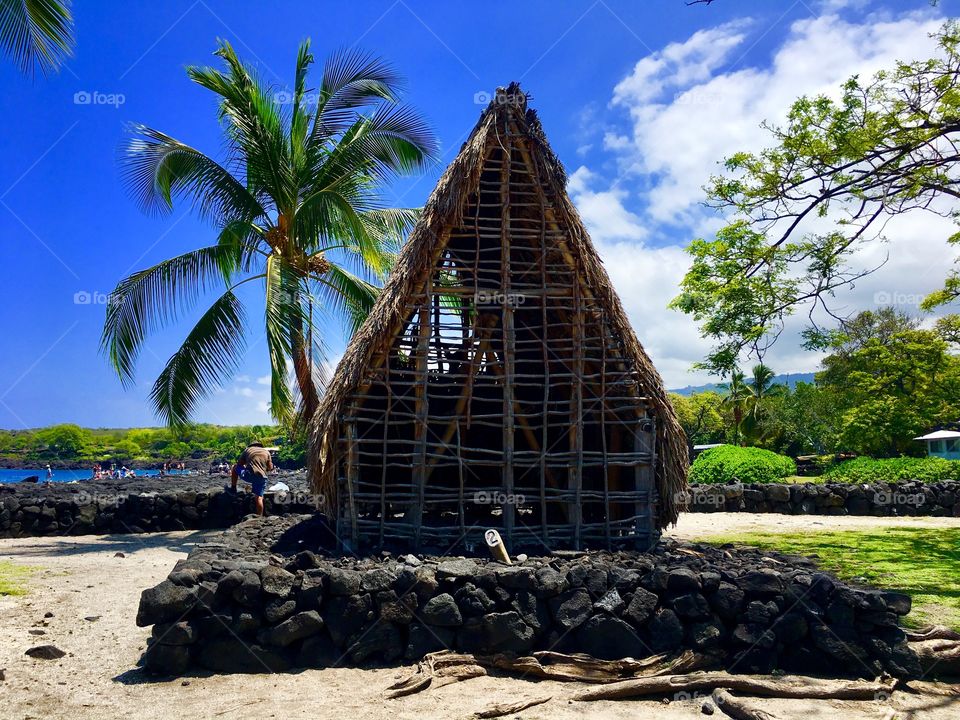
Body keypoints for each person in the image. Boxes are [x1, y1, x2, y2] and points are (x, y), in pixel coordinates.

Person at [231, 442, 273, 516]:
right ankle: (259, 517)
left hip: (249, 475)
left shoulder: (248, 450)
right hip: (262, 477)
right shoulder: (266, 452)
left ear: (251, 446)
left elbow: (239, 464)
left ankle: (233, 488)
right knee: (259, 498)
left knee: (234, 467)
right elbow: (270, 468)